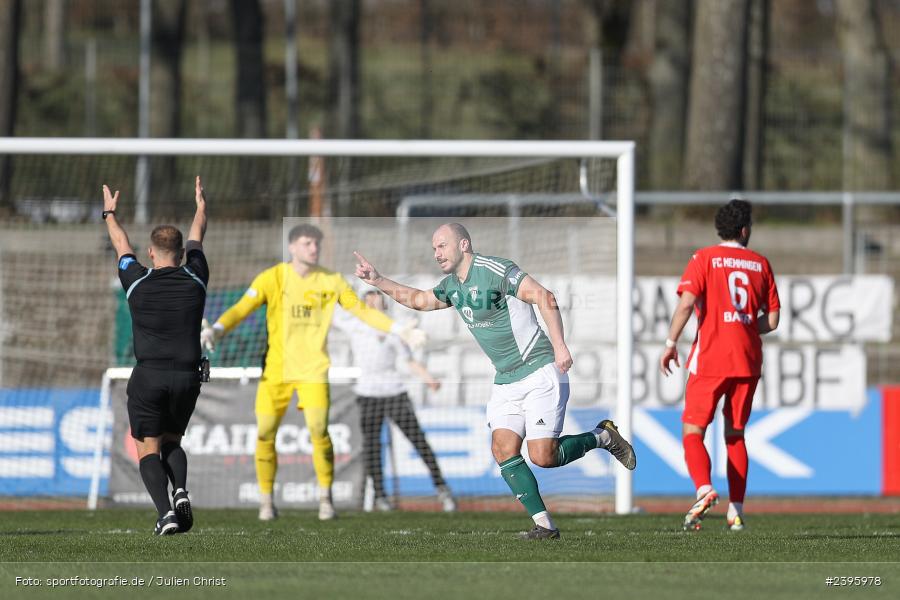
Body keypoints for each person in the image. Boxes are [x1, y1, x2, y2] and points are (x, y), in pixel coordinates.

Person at [354, 223, 636, 540]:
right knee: (503, 450)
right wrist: (377, 281)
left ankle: (603, 437)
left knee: (543, 456)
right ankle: (545, 526)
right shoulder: (451, 286)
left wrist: (559, 345)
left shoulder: (495, 269)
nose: (437, 253)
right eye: (434, 248)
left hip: (539, 370)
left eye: (442, 246)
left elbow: (544, 296)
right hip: (506, 381)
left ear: (463, 245)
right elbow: (419, 299)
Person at [201, 224, 425, 521]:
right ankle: (266, 501)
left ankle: (325, 499)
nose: (313, 248)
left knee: (319, 430)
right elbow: (242, 308)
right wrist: (217, 330)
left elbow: (362, 311)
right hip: (276, 372)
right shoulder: (273, 277)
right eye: (307, 243)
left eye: (316, 244)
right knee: (265, 433)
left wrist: (399, 329)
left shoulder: (330, 280)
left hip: (314, 371)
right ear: (292, 247)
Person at [659, 199, 780, 532]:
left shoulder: (704, 258)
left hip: (711, 358)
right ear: (744, 230)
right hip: (748, 360)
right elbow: (772, 320)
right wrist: (741, 324)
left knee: (693, 431)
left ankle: (703, 489)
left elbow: (685, 305)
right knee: (736, 434)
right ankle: (736, 511)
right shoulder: (760, 263)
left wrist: (670, 344)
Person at [103, 176, 208, 535]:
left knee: (147, 448)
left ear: (150, 253)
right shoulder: (196, 277)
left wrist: (110, 213)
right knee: (173, 441)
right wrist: (201, 206)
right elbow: (198, 235)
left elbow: (120, 243)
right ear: (181, 255)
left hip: (149, 375)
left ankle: (166, 514)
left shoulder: (135, 281)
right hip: (188, 376)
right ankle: (180, 488)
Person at [335, 290, 456, 513]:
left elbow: (408, 361)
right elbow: (333, 311)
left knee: (419, 441)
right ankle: (380, 496)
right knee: (372, 448)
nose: (373, 305)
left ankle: (442, 489)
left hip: (394, 393)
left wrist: (428, 378)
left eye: (377, 302)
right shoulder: (355, 325)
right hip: (368, 395)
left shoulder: (392, 329)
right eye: (369, 302)